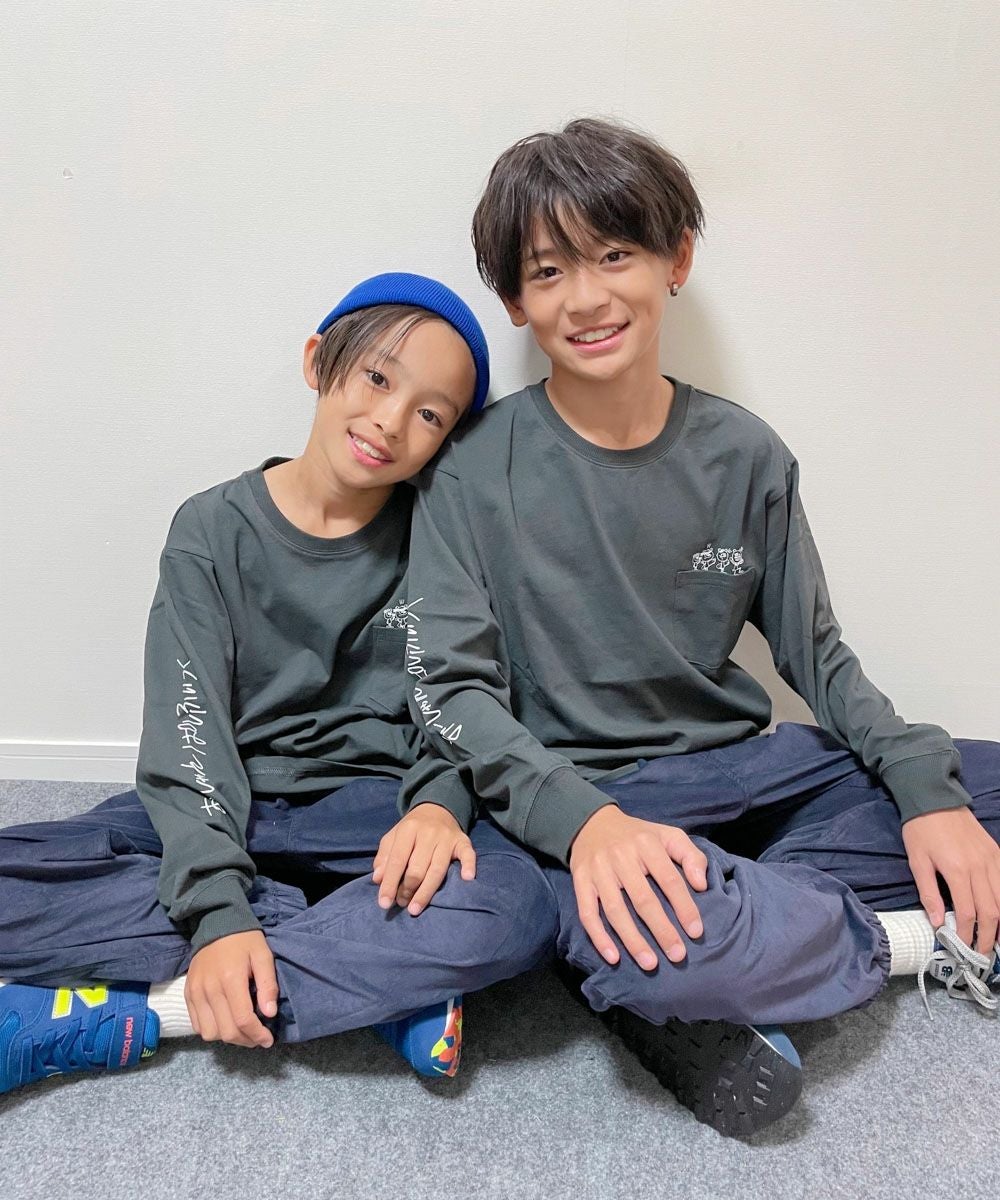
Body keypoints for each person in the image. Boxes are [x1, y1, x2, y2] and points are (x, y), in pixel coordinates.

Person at [399, 119, 1000, 1137]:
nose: (586, 297)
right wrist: (587, 827)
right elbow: (450, 695)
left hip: (741, 772)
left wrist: (925, 791)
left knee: (968, 788)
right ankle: (897, 941)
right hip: (586, 801)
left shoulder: (745, 454)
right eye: (549, 271)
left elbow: (817, 657)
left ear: (675, 260)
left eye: (614, 255)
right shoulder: (469, 471)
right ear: (515, 301)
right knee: (638, 931)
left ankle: (717, 920)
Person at [0, 273, 558, 1096]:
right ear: (317, 362)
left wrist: (440, 804)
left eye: (430, 415)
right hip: (233, 800)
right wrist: (219, 908)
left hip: (376, 817)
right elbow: (187, 737)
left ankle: (151, 1008)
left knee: (517, 906)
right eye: (377, 377)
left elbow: (461, 699)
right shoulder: (210, 529)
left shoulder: (443, 537)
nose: (391, 421)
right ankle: (369, 973)